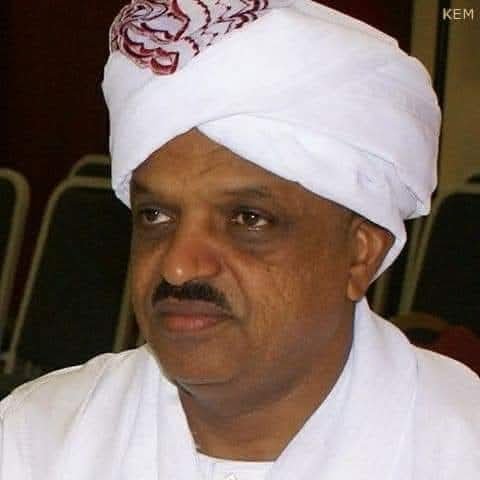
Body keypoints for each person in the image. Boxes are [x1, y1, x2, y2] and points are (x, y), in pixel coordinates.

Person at [1, 0, 479, 478]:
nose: (178, 267)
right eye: (156, 215)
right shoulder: (36, 439)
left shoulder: (460, 448)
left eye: (248, 219)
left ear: (360, 255)